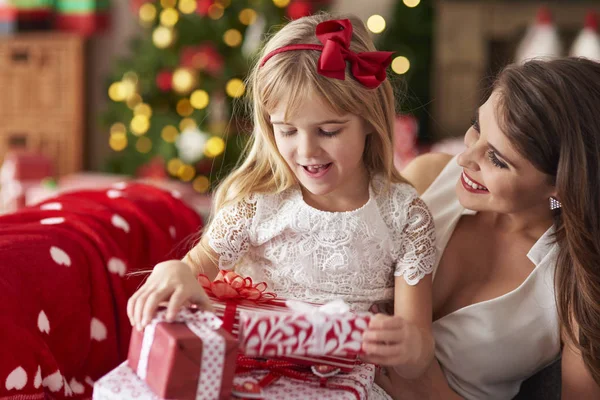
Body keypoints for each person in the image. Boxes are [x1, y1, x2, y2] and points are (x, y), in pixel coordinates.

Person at [127, 13, 437, 383]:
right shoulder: (259, 202)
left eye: (328, 130)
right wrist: (175, 270)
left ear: (369, 120)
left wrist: (408, 347)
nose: (307, 150)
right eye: (287, 130)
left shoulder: (404, 215)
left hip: (342, 387)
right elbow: (194, 267)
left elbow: (418, 356)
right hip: (249, 378)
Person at [365, 57, 600, 399]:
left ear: (562, 186)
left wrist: (434, 392)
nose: (465, 157)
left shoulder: (578, 286)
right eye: (477, 125)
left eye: (497, 159)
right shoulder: (426, 177)